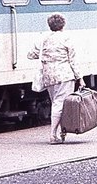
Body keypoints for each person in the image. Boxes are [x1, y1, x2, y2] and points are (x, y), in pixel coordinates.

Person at [28, 13, 81, 144]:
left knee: (56, 103)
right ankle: (53, 135)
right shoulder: (66, 38)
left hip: (49, 76)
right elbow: (73, 60)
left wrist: (48, 55)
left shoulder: (43, 39)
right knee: (60, 104)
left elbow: (31, 55)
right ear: (63, 25)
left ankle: (61, 131)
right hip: (64, 76)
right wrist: (80, 77)